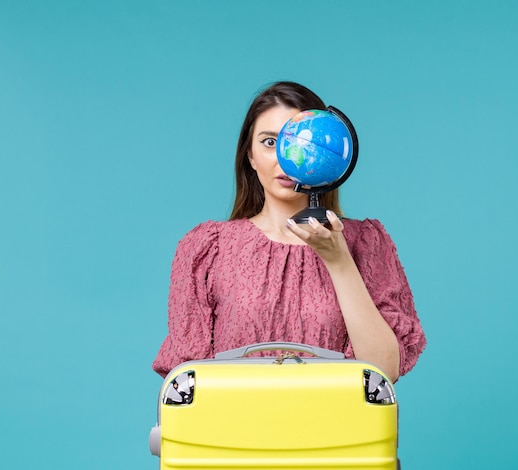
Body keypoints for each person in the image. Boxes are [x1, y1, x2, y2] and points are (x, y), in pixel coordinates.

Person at [152, 81, 425, 382]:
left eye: (302, 141)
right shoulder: (207, 249)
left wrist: (339, 261)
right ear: (250, 156)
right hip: (232, 426)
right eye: (270, 142)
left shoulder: (367, 244)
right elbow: (187, 380)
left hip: (334, 426)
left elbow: (382, 371)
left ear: (332, 153)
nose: (286, 156)